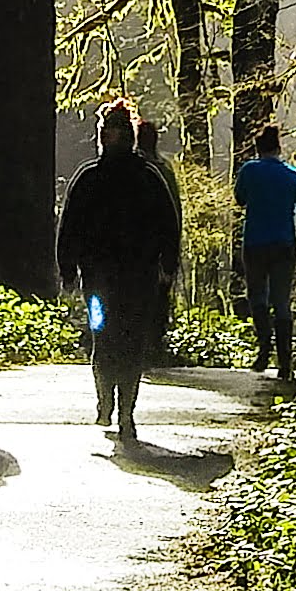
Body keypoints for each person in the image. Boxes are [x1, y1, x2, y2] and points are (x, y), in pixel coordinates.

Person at [54, 100, 182, 444]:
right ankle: (112, 402)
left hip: (118, 279)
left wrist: (68, 268)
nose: (112, 138)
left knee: (115, 338)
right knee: (114, 338)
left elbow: (70, 227)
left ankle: (120, 407)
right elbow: (169, 226)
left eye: (116, 132)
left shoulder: (93, 178)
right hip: (118, 279)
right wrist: (67, 267)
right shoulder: (143, 178)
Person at [232, 117, 296, 383]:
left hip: (255, 243)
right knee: (281, 301)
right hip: (284, 245)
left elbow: (240, 199)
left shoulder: (249, 171)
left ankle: (263, 348)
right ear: (278, 148)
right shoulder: (293, 175)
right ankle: (285, 363)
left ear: (258, 149)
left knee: (257, 297)